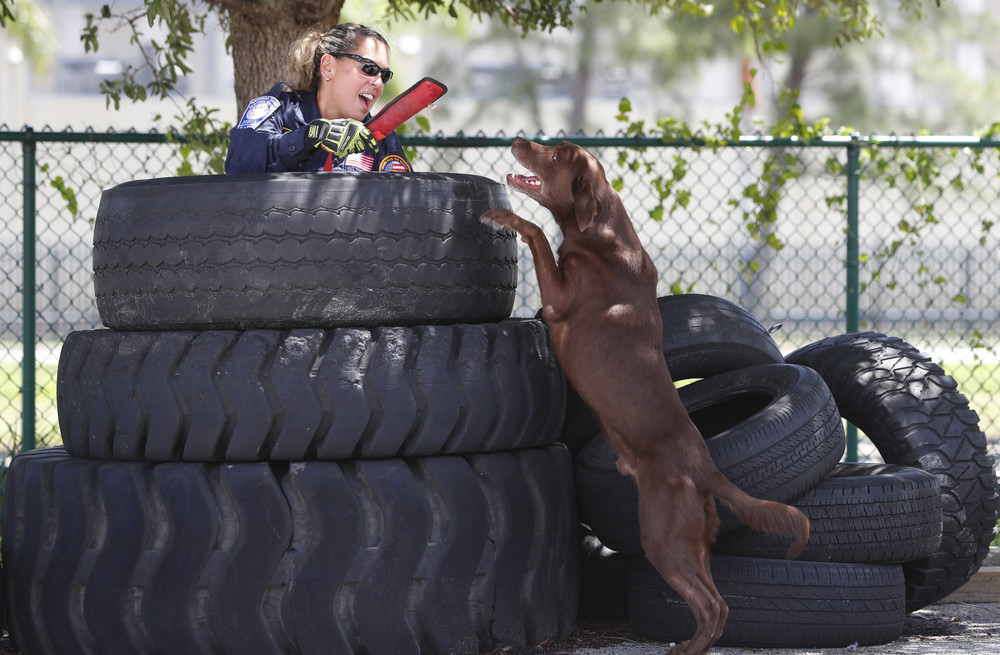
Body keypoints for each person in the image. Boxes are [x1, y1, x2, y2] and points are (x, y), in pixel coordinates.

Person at [225, 23, 412, 174]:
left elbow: (403, 202)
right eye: (369, 68)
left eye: (384, 76)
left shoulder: (379, 134)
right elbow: (239, 163)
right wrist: (312, 136)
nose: (378, 83)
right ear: (328, 67)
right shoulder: (283, 107)